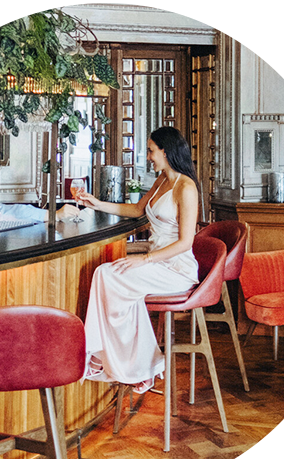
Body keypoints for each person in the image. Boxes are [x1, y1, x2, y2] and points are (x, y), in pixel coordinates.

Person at [77, 126, 200, 394]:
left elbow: (185, 243)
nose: (148, 157)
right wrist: (97, 204)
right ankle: (124, 360)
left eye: (151, 151)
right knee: (104, 275)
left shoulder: (186, 187)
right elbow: (136, 210)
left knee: (108, 275)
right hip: (155, 263)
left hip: (176, 269)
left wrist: (144, 259)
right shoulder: (162, 180)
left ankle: (104, 357)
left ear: (166, 152)